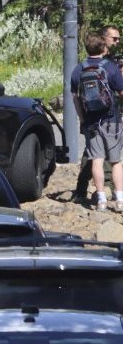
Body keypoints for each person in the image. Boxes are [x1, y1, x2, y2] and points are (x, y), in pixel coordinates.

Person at [71, 32, 123, 211]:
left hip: (91, 122)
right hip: (111, 120)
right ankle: (120, 199)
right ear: (102, 47)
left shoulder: (78, 69)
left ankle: (100, 200)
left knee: (97, 160)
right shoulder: (110, 67)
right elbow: (121, 91)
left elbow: (75, 98)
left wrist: (82, 117)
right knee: (116, 161)